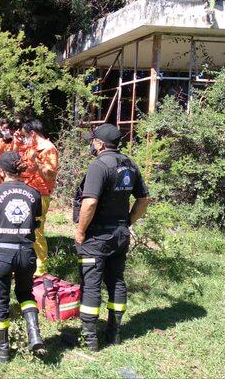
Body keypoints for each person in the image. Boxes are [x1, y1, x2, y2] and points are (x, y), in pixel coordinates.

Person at [74, 124, 149, 351]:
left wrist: (80, 231)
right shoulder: (129, 164)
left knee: (91, 284)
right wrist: (127, 221)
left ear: (100, 144)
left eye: (93, 141)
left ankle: (90, 339)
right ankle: (114, 333)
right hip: (119, 235)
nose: (91, 144)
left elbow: (90, 202)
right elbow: (144, 200)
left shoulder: (99, 165)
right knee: (116, 280)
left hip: (97, 236)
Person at [0, 152, 46, 362]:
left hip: (2, 252)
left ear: (1, 170)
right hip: (26, 252)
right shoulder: (34, 193)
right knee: (26, 293)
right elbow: (37, 221)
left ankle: (2, 349)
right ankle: (34, 335)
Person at [20, 119, 59, 277]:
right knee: (23, 228)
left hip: (40, 193)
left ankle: (41, 265)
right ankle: (25, 262)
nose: (25, 139)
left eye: (26, 136)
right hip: (26, 190)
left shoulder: (48, 149)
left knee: (36, 230)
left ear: (33, 134)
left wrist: (38, 162)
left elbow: (50, 174)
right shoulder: (31, 147)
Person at [0, 119, 22, 188]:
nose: (7, 130)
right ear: (0, 128)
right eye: (4, 128)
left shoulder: (17, 143)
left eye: (8, 128)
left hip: (11, 176)